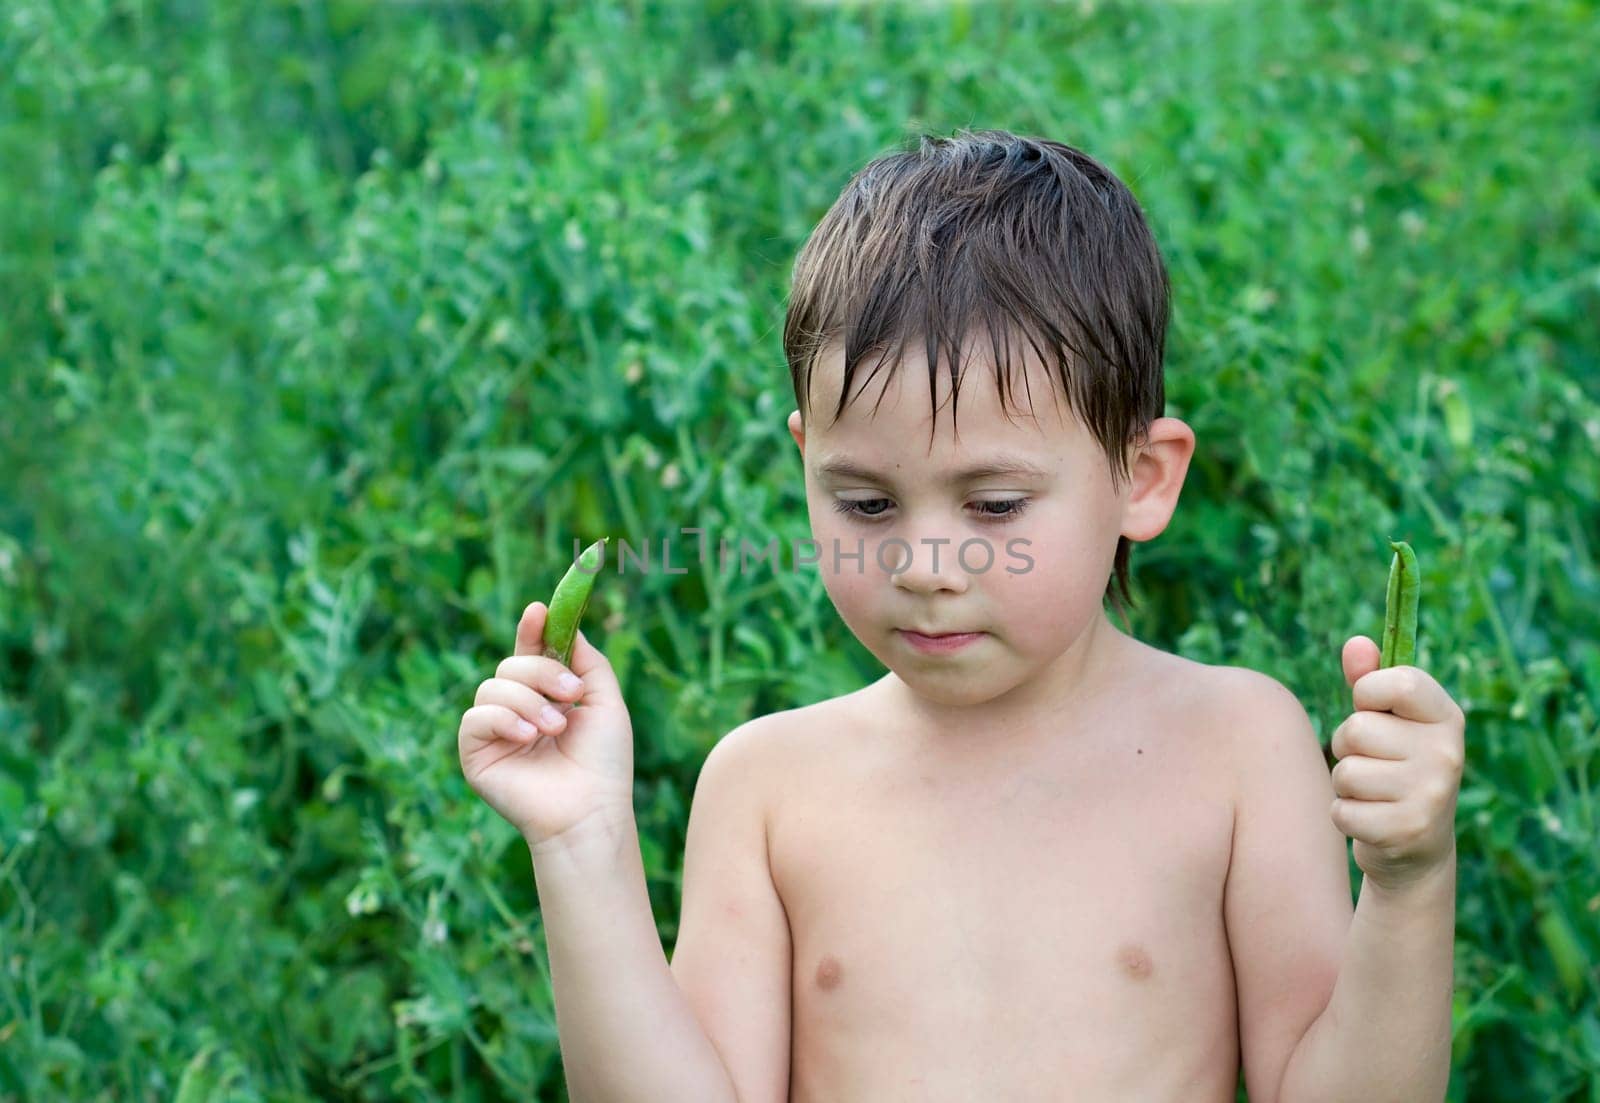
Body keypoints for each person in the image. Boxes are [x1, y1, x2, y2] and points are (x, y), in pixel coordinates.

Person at [458, 129, 1465, 1102]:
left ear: (1141, 479)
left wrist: (1410, 880)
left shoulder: (1236, 747)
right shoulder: (767, 789)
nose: (924, 564)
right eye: (864, 503)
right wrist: (582, 844)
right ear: (805, 460)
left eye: (992, 505)